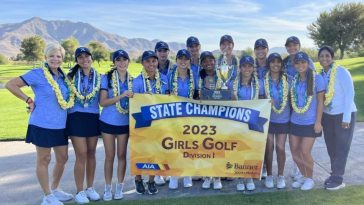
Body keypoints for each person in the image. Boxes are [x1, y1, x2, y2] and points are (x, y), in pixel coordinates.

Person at [6, 43, 74, 205]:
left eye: (58, 56)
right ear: (45, 57)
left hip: (61, 125)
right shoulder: (38, 73)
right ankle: (47, 196)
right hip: (42, 123)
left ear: (62, 59)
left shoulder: (64, 77)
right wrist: (28, 100)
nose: (55, 59)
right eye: (51, 56)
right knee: (44, 159)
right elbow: (11, 84)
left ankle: (55, 189)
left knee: (63, 158)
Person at [318, 45, 357, 190]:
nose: (324, 58)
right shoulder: (321, 75)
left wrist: (346, 118)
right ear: (319, 59)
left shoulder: (341, 72)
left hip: (344, 115)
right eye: (321, 56)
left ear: (332, 57)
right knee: (331, 147)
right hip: (328, 116)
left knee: (341, 147)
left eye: (327, 55)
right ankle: (334, 173)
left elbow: (350, 94)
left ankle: (338, 178)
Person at [67, 47, 101, 203]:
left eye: (87, 56)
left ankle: (90, 187)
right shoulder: (70, 77)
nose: (84, 59)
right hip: (76, 117)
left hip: (93, 117)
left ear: (91, 58)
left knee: (92, 153)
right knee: (81, 154)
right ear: (77, 60)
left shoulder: (100, 77)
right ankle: (79, 191)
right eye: (80, 57)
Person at [132, 50, 169, 194]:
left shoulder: (164, 80)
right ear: (143, 63)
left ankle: (151, 180)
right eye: (147, 61)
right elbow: (134, 102)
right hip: (142, 121)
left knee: (155, 152)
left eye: (154, 61)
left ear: (157, 62)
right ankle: (138, 178)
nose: (151, 64)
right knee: (141, 151)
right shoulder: (137, 81)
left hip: (159, 122)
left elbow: (168, 98)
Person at [99, 49, 133, 201]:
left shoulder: (134, 80)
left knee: (121, 155)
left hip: (124, 123)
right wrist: (121, 96)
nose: (121, 63)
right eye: (118, 60)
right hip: (107, 122)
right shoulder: (106, 78)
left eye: (124, 59)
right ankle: (107, 187)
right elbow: (103, 102)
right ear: (114, 62)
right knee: (110, 156)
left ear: (128, 61)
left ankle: (120, 186)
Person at [289, 51, 325, 191]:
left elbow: (321, 102)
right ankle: (303, 176)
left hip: (310, 122)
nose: (300, 65)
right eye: (297, 63)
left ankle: (310, 178)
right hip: (295, 121)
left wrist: (318, 122)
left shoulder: (317, 79)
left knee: (305, 152)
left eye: (303, 62)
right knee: (294, 152)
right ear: (294, 65)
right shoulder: (294, 79)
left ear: (308, 63)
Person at [167, 49, 198, 189]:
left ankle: (187, 174)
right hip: (174, 116)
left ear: (190, 61)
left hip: (190, 116)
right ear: (177, 60)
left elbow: (198, 95)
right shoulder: (169, 75)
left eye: (186, 59)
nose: (183, 61)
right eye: (181, 59)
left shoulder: (194, 76)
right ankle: (174, 175)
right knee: (174, 145)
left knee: (188, 146)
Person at [235, 55, 264, 191]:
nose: (247, 68)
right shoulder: (232, 84)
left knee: (251, 148)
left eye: (249, 66)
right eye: (244, 66)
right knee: (239, 149)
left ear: (253, 68)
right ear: (240, 68)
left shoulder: (258, 84)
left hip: (253, 120)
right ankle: (240, 177)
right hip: (237, 120)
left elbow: (263, 98)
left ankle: (249, 176)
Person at [197, 51, 224, 189]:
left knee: (217, 146)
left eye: (211, 60)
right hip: (203, 117)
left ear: (215, 62)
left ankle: (217, 176)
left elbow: (227, 94)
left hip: (219, 116)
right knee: (205, 146)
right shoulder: (198, 77)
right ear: (201, 63)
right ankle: (207, 176)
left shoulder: (222, 75)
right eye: (205, 61)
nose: (208, 63)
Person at [263, 53, 290, 189]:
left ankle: (280, 175)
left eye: (278, 62)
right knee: (269, 147)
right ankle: (269, 175)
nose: (275, 64)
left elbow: (293, 97)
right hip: (268, 119)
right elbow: (259, 97)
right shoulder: (263, 80)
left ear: (281, 64)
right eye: (272, 62)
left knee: (280, 147)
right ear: (269, 64)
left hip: (283, 119)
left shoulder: (288, 80)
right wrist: (266, 101)